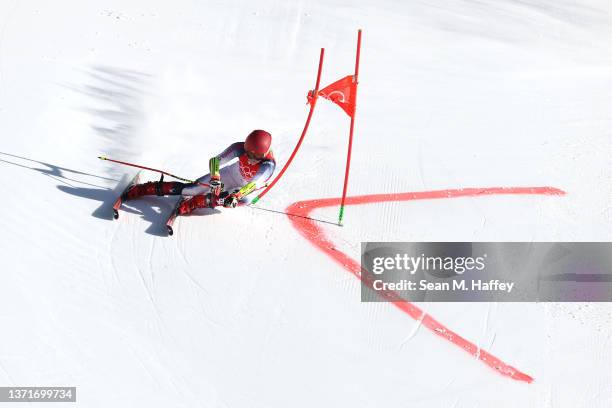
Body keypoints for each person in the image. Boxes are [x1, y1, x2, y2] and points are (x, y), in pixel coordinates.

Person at [123, 130, 276, 215]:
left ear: (264, 154)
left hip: (245, 187)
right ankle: (144, 189)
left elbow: (253, 185)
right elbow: (215, 161)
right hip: (230, 174)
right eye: (248, 154)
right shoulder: (239, 148)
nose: (250, 159)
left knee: (238, 201)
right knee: (192, 189)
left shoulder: (268, 166)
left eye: (255, 157)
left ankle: (196, 203)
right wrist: (215, 177)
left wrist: (235, 197)